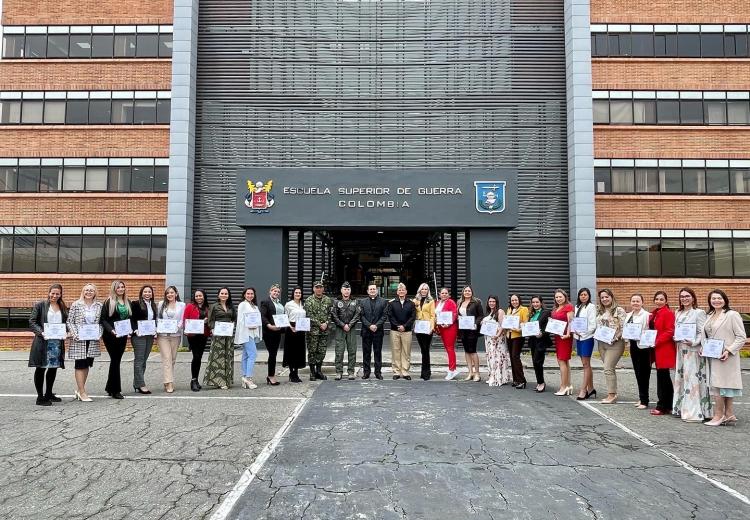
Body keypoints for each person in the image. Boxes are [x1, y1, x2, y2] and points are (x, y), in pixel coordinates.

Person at [702, 289, 746, 426]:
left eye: (719, 298)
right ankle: (729, 414)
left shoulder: (732, 315)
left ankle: (718, 415)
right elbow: (707, 335)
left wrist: (729, 350)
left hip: (726, 356)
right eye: (713, 298)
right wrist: (704, 348)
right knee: (722, 385)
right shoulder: (710, 315)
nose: (716, 300)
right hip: (712, 354)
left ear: (725, 300)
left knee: (719, 385)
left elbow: (741, 337)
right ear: (710, 301)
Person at [672, 288, 710, 421]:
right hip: (681, 349)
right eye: (682, 296)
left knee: (692, 380)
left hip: (693, 350)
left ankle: (694, 412)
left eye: (687, 296)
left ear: (693, 298)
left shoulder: (699, 313)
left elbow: (702, 333)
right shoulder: (678, 312)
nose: (684, 298)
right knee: (682, 379)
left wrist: (694, 342)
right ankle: (681, 408)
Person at [29, 284, 68, 406]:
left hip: (56, 342)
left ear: (60, 294)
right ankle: (40, 398)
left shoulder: (62, 306)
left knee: (53, 368)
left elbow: (65, 323)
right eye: (53, 293)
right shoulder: (40, 305)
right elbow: (32, 321)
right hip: (43, 341)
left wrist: (67, 332)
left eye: (57, 294)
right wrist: (41, 332)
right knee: (41, 368)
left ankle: (49, 393)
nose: (55, 296)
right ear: (49, 292)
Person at [66, 283, 103, 402]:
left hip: (92, 339)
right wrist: (75, 334)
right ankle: (82, 392)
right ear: (83, 292)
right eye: (86, 290)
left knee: (87, 364)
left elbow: (101, 323)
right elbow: (69, 322)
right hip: (79, 339)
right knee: (80, 364)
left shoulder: (99, 306)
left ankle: (79, 390)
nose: (89, 292)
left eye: (91, 290)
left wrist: (99, 333)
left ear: (95, 292)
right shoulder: (76, 305)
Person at [99, 280, 131, 399]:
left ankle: (110, 388)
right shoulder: (109, 302)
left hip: (122, 335)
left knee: (116, 361)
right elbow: (103, 319)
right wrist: (111, 330)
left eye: (123, 287)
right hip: (111, 335)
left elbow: (130, 319)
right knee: (115, 360)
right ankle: (116, 390)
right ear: (114, 289)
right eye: (118, 287)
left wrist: (130, 330)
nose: (121, 289)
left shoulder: (127, 302)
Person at [596, 288, 627, 404]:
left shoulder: (619, 310)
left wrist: (615, 338)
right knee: (609, 368)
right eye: (602, 297)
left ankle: (611, 395)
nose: (604, 299)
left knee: (608, 368)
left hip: (615, 343)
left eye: (606, 297)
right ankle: (613, 391)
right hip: (602, 343)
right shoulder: (599, 311)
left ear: (612, 297)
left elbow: (624, 327)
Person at [648, 291, 676, 416]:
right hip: (656, 348)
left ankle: (662, 406)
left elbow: (670, 331)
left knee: (663, 378)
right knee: (663, 377)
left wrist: (657, 341)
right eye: (657, 299)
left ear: (666, 301)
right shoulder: (654, 313)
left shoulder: (668, 313)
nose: (659, 301)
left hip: (664, 348)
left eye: (661, 299)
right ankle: (668, 405)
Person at [204, 287, 236, 389]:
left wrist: (232, 324)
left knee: (228, 356)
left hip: (228, 335)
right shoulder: (213, 306)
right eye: (222, 293)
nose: (224, 295)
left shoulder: (231, 306)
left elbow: (234, 318)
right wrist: (213, 329)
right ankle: (219, 381)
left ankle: (227, 380)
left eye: (226, 293)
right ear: (218, 295)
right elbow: (210, 320)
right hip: (218, 335)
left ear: (228, 295)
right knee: (218, 358)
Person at [157, 286, 186, 393]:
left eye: (172, 292)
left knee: (172, 359)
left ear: (176, 294)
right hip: (162, 335)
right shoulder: (161, 304)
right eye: (168, 293)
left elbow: (182, 320)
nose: (170, 294)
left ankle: (166, 380)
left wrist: (177, 327)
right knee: (167, 358)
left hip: (175, 335)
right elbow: (157, 318)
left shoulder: (182, 305)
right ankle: (169, 383)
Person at [129, 285, 157, 394]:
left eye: (149, 292)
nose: (147, 294)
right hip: (139, 335)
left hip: (149, 335)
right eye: (145, 292)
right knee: (139, 360)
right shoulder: (135, 304)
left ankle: (137, 383)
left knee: (144, 360)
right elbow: (131, 319)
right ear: (141, 293)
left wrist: (155, 330)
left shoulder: (153, 305)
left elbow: (154, 320)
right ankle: (141, 384)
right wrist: (135, 329)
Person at [625, 294, 651, 409]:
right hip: (633, 346)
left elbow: (650, 331)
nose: (635, 303)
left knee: (644, 374)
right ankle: (641, 398)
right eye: (633, 301)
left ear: (642, 302)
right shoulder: (629, 315)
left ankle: (645, 401)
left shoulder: (646, 315)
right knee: (637, 373)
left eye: (638, 301)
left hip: (644, 347)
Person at [331, 281, 361, 380]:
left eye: (348, 289)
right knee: (339, 351)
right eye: (345, 289)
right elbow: (334, 315)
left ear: (350, 291)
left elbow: (357, 315)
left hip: (351, 329)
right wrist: (343, 325)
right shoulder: (336, 301)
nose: (346, 291)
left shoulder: (355, 301)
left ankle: (351, 371)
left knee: (352, 350)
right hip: (340, 329)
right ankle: (338, 372)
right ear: (341, 290)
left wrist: (350, 325)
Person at [304, 281, 333, 380]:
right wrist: (320, 324)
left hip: (324, 331)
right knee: (312, 351)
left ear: (323, 289)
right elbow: (308, 315)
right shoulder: (309, 300)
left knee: (322, 351)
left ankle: (319, 371)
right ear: (313, 289)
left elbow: (331, 313)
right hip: (313, 331)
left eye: (320, 287)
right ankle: (312, 372)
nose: (319, 289)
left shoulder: (328, 300)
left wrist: (326, 323)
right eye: (317, 287)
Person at [183, 289, 210, 392]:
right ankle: (193, 380)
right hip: (193, 335)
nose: (199, 297)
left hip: (203, 335)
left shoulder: (208, 308)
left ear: (204, 296)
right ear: (194, 297)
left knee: (199, 357)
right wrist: (185, 329)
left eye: (200, 296)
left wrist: (207, 321)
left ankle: (196, 380)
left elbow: (211, 321)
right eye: (197, 296)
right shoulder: (190, 306)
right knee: (196, 356)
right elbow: (185, 319)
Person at [359, 283, 388, 380]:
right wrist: (369, 325)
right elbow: (361, 316)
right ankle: (366, 372)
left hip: (378, 331)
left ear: (377, 290)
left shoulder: (383, 302)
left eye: (374, 289)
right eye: (370, 289)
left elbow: (384, 316)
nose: (372, 290)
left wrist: (376, 325)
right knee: (366, 352)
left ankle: (378, 372)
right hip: (366, 331)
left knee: (377, 352)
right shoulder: (362, 302)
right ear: (367, 291)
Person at [388, 283, 416, 380]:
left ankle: (405, 371)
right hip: (395, 331)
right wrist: (397, 326)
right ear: (397, 292)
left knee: (406, 351)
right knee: (396, 351)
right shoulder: (391, 303)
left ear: (406, 291)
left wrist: (404, 326)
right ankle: (396, 371)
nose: (401, 291)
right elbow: (390, 316)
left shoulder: (411, 303)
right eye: (399, 290)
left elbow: (413, 317)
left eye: (403, 290)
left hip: (407, 331)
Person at [236, 287, 262, 389]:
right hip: (246, 333)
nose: (250, 295)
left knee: (246, 355)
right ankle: (249, 378)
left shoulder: (254, 306)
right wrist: (249, 325)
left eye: (252, 294)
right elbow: (240, 319)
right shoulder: (242, 304)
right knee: (253, 354)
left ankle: (244, 377)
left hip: (253, 333)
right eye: (248, 294)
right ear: (244, 295)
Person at [573, 288, 597, 400]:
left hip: (587, 337)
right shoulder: (577, 307)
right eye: (581, 295)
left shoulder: (591, 307)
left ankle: (584, 390)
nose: (583, 296)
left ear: (589, 296)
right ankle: (591, 388)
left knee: (585, 364)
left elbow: (593, 325)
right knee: (586, 364)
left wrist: (582, 332)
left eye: (585, 295)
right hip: (578, 337)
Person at [260, 284, 286, 386]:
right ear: (270, 291)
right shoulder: (265, 302)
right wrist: (269, 325)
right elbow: (262, 316)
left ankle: (271, 375)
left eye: (278, 292)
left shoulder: (279, 303)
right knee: (272, 354)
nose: (276, 293)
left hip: (278, 331)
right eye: (274, 291)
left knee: (274, 353)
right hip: (269, 331)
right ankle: (271, 376)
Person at [482, 295, 511, 387]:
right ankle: (492, 376)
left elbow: (503, 325)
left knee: (498, 358)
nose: (491, 303)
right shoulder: (490, 312)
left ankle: (499, 378)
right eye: (490, 301)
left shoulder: (500, 311)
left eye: (493, 301)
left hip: (497, 340)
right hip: (489, 340)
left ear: (496, 302)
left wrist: (497, 335)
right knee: (491, 358)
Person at [458, 286, 483, 382]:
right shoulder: (460, 302)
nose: (467, 292)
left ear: (472, 292)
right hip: (463, 330)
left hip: (472, 330)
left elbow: (481, 315)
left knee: (473, 351)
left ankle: (477, 373)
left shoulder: (476, 303)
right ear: (463, 292)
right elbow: (459, 315)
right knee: (467, 351)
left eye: (469, 291)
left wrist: (475, 324)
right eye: (465, 291)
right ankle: (470, 373)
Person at [551, 289, 574, 396]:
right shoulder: (556, 308)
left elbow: (571, 322)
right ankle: (568, 385)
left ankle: (563, 387)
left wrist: (568, 334)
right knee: (564, 361)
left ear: (565, 296)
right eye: (557, 297)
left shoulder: (568, 307)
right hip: (558, 336)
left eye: (560, 297)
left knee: (561, 361)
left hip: (565, 336)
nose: (558, 299)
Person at [526, 295, 551, 392]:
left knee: (538, 362)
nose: (535, 304)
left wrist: (542, 334)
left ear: (541, 303)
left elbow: (550, 327)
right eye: (533, 302)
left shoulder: (546, 312)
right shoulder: (531, 313)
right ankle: (539, 382)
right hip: (533, 341)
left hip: (541, 341)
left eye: (537, 302)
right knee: (535, 362)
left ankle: (541, 383)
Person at [435, 287, 460, 380]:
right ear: (439, 294)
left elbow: (454, 314)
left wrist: (448, 323)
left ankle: (452, 369)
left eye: (446, 293)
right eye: (442, 293)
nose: (444, 294)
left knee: (450, 348)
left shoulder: (451, 302)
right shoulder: (437, 303)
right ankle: (451, 368)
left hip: (450, 328)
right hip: (442, 328)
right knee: (447, 348)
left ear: (448, 294)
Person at [283, 287, 307, 383]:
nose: (298, 294)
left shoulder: (303, 304)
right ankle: (291, 373)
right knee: (291, 351)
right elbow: (285, 317)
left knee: (299, 351)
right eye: (296, 292)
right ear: (293, 294)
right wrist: (290, 327)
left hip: (301, 328)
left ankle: (296, 372)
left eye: (299, 293)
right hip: (291, 329)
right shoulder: (288, 304)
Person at [413, 283, 436, 380]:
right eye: (422, 289)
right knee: (423, 350)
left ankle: (426, 372)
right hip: (419, 328)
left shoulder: (431, 301)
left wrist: (431, 327)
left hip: (427, 328)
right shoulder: (415, 300)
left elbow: (432, 315)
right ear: (420, 290)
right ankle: (424, 371)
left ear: (428, 291)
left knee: (426, 350)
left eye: (426, 289)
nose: (424, 291)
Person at [505, 294, 528, 388]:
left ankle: (522, 380)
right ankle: (515, 380)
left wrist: (518, 328)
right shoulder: (509, 309)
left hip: (518, 336)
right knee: (512, 357)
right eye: (512, 300)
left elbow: (525, 323)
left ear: (519, 300)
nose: (514, 302)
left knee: (515, 357)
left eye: (516, 300)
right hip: (509, 336)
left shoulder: (524, 309)